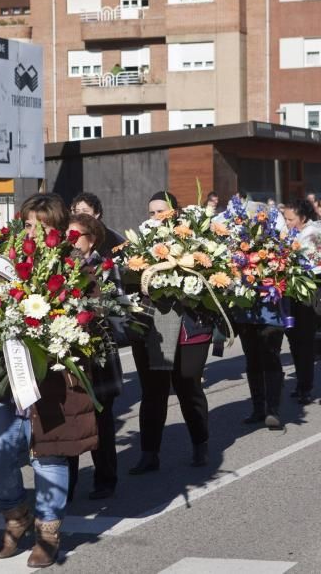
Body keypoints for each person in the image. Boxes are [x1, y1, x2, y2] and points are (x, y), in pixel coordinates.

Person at [0, 192, 95, 568]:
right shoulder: (7, 263)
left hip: (54, 383)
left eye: (41, 225)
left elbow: (89, 318)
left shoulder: (75, 268)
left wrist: (57, 331)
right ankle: (15, 515)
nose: (33, 231)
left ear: (58, 229)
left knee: (49, 455)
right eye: (29, 224)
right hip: (10, 380)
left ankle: (48, 533)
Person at [129, 191, 213, 474]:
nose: (155, 218)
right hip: (156, 326)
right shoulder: (139, 247)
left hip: (189, 327)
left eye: (161, 212)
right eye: (151, 212)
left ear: (175, 213)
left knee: (188, 386)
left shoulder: (195, 241)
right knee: (153, 392)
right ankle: (149, 453)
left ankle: (200, 443)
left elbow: (211, 278)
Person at [65, 213, 124, 500]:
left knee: (101, 422)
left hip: (99, 352)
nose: (71, 241)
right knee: (71, 421)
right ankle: (67, 484)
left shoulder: (105, 266)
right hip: (70, 354)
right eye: (68, 235)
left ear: (93, 238)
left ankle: (106, 479)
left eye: (76, 236)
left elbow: (114, 305)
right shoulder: (60, 266)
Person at [283, 200, 321, 405]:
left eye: (291, 219)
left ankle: (306, 386)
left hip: (307, 296)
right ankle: (300, 383)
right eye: (285, 218)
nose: (287, 222)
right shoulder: (289, 233)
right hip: (290, 295)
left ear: (303, 218)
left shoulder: (315, 234)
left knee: (305, 343)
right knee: (293, 340)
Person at [70, 191, 125, 259]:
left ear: (96, 214)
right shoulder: (73, 232)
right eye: (77, 211)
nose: (81, 215)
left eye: (85, 211)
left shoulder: (106, 237)